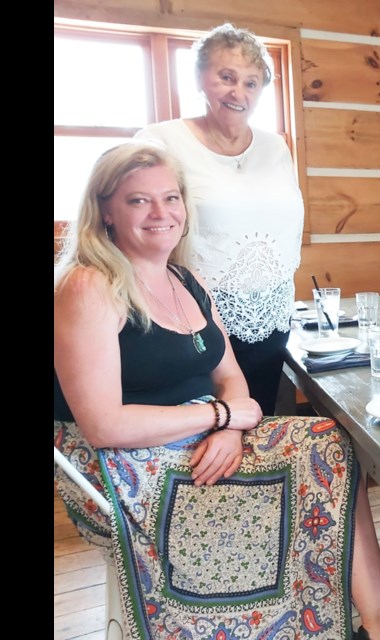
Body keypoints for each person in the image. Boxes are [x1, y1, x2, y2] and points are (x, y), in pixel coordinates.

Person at [53, 142, 380, 640]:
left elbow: (231, 377)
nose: (161, 213)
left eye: (171, 198)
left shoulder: (187, 280)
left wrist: (228, 426)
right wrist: (220, 418)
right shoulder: (89, 286)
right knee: (316, 463)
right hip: (120, 465)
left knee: (329, 442)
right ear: (106, 212)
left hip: (196, 435)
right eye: (138, 200)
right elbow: (105, 425)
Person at [135, 23, 301, 415]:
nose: (237, 92)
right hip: (195, 319)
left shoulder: (275, 146)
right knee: (206, 433)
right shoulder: (162, 140)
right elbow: (139, 224)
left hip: (271, 316)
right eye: (226, 78)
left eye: (251, 82)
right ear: (200, 78)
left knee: (256, 424)